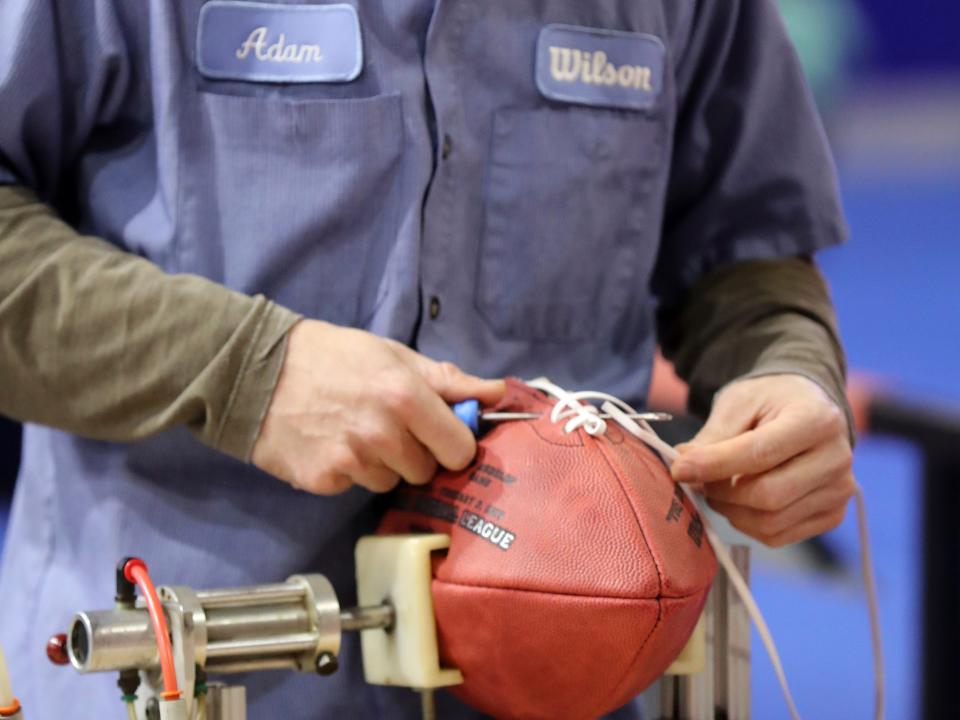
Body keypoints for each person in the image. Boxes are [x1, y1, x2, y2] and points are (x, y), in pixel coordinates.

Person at [0, 0, 854, 717]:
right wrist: (242, 369)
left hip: (567, 685)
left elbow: (744, 243)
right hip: (181, 667)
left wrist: (783, 363)